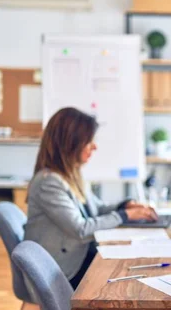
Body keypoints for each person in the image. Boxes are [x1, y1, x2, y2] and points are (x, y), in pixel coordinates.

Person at [24, 107, 157, 289]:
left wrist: (125, 206)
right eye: (89, 141)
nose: (94, 146)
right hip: (61, 270)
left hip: (76, 257)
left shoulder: (70, 173)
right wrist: (125, 216)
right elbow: (81, 229)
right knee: (126, 279)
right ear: (70, 143)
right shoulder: (49, 183)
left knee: (133, 269)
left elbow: (96, 209)